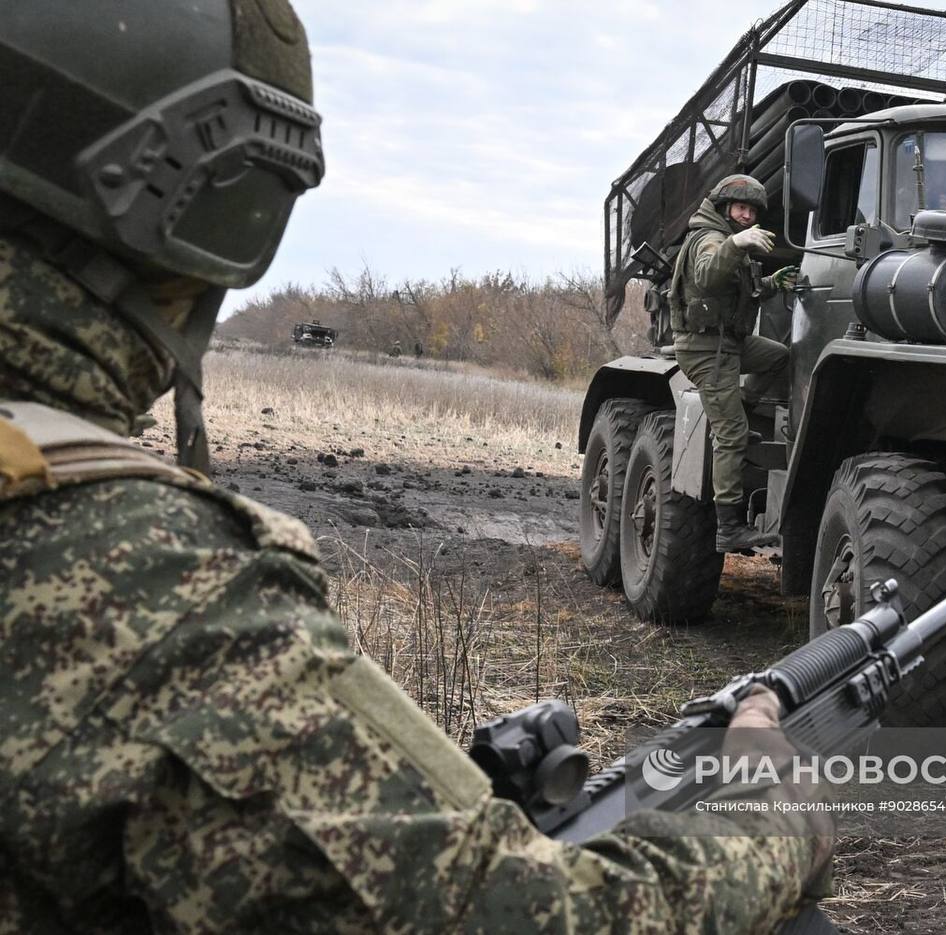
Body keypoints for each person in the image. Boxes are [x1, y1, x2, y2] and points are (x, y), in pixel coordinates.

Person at [0, 3, 829, 932]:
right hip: (705, 360)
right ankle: (724, 503)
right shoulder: (142, 582)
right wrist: (770, 811)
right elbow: (530, 917)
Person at [669, 175, 798, 553]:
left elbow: (742, 293)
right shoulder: (709, 238)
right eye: (741, 209)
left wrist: (774, 282)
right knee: (731, 436)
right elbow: (709, 276)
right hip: (706, 350)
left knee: (779, 357)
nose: (746, 216)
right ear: (726, 208)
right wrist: (736, 242)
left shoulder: (728, 239)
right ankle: (729, 528)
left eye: (752, 211)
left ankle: (739, 406)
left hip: (729, 343)